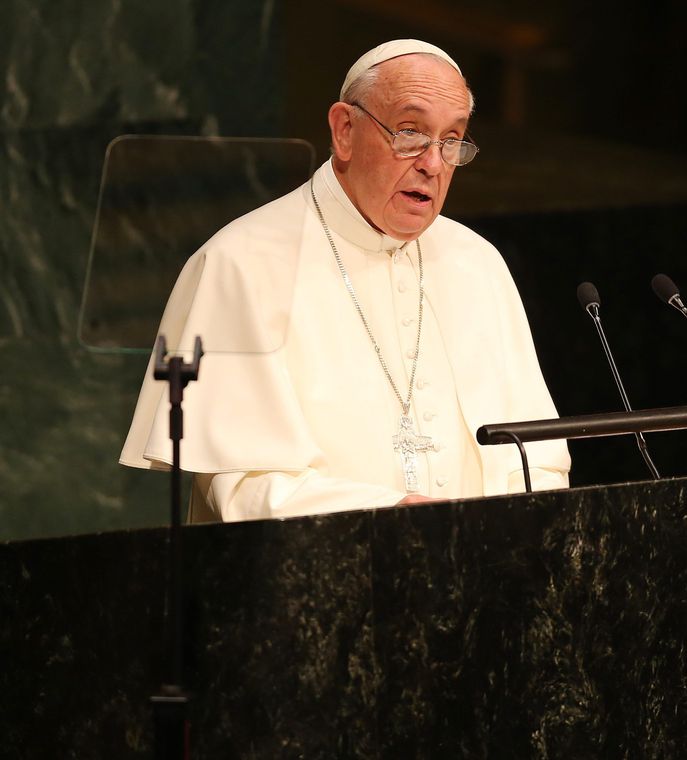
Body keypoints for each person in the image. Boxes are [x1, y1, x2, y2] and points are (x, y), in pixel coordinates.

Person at [120, 39, 571, 521]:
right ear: (345, 130)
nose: (433, 164)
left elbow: (538, 460)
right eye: (410, 133)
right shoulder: (241, 263)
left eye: (451, 140)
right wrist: (395, 517)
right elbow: (245, 488)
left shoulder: (477, 264)